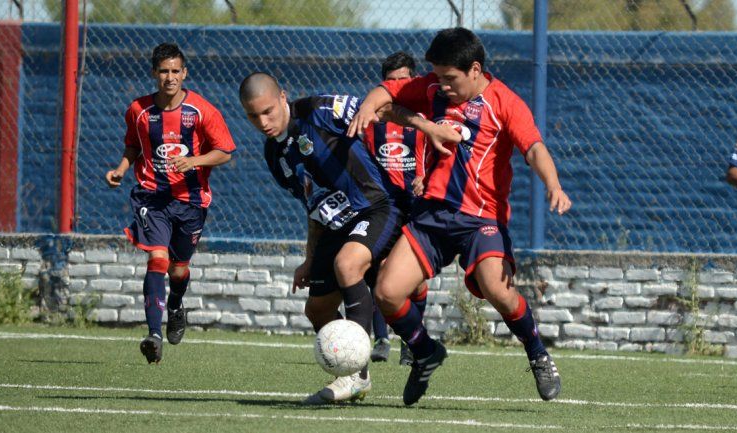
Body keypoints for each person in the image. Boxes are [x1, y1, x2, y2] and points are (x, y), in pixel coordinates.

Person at [348, 27, 572, 406]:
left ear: (475, 69)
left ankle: (537, 353)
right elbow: (387, 92)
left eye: (450, 78)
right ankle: (424, 352)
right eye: (437, 76)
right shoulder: (433, 89)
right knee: (386, 292)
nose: (442, 85)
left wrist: (553, 184)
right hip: (432, 217)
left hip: (481, 219)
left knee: (497, 289)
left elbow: (533, 147)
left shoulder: (505, 103)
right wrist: (371, 106)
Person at [239, 73, 404, 404]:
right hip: (334, 225)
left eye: (268, 111)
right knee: (317, 310)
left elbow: (381, 108)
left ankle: (355, 375)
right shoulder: (274, 155)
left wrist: (430, 130)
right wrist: (310, 258)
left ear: (283, 96)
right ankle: (355, 368)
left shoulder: (318, 110)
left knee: (348, 265)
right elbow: (312, 205)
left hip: (375, 207)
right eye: (254, 116)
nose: (263, 122)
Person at [105, 42, 236, 364]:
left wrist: (194, 161)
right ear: (154, 73)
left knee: (179, 270)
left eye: (175, 71)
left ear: (184, 73)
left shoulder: (202, 111)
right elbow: (133, 145)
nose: (170, 77)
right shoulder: (139, 110)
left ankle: (175, 305)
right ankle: (153, 335)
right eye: (164, 71)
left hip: (191, 201)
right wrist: (121, 169)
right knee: (158, 259)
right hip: (152, 197)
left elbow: (225, 151)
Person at [364, 51, 431, 366]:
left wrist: (426, 177)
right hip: (384, 205)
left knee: (415, 279)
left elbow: (443, 154)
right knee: (379, 269)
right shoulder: (372, 120)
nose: (396, 86)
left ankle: (411, 340)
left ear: (413, 80)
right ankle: (381, 340)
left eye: (403, 80)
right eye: (391, 81)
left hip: (417, 203)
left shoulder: (425, 117)